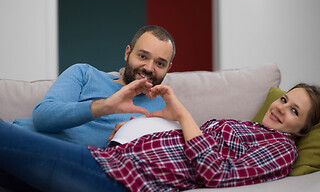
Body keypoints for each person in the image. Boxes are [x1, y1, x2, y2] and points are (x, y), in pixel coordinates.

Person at [1, 82, 319, 192]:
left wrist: (183, 116)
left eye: (294, 111)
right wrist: (132, 133)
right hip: (114, 159)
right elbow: (194, 149)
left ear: (303, 130)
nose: (282, 108)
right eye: (284, 99)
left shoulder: (281, 150)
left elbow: (216, 172)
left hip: (122, 179)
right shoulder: (251, 128)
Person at [9, 25, 176, 147]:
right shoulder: (84, 74)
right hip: (19, 140)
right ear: (127, 53)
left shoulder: (163, 109)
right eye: (142, 56)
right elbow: (42, 118)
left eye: (160, 64)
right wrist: (105, 106)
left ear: (168, 68)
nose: (148, 67)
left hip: (72, 168)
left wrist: (136, 135)